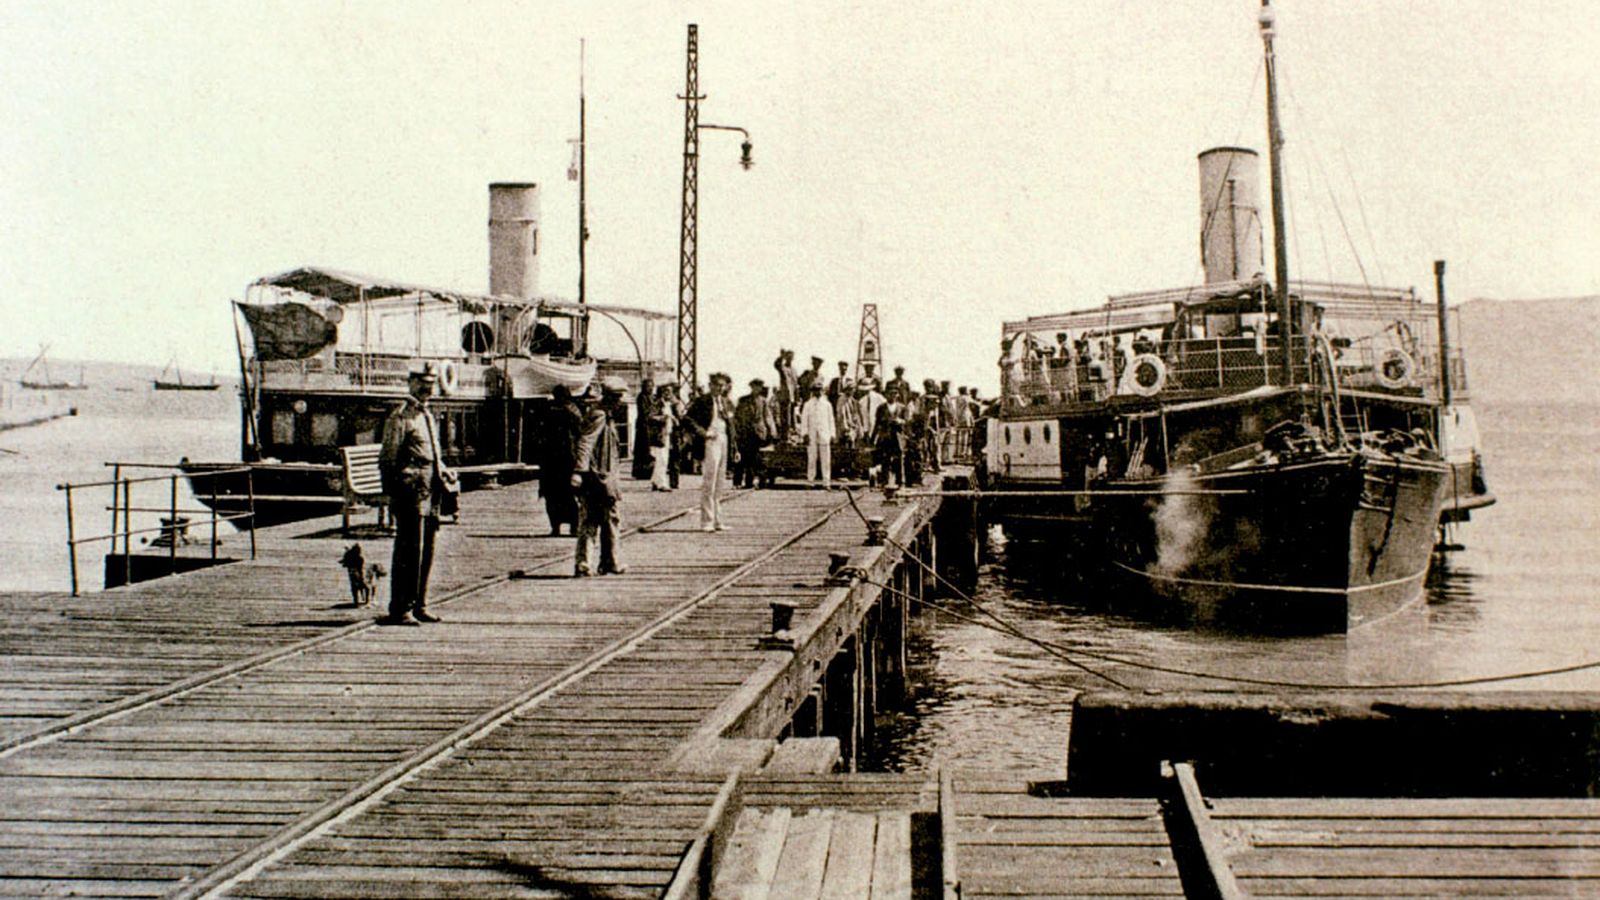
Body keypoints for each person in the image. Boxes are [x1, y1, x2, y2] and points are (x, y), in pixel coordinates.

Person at [379, 364, 451, 625]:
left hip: (430, 490)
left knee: (427, 548)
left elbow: (431, 451)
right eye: (422, 384)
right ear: (410, 384)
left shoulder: (427, 415)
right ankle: (401, 608)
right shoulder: (402, 417)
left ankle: (420, 603)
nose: (427, 389)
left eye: (431, 384)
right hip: (410, 489)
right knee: (410, 549)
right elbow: (388, 459)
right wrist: (391, 495)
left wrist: (442, 469)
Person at [570, 376, 628, 576]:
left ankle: (601, 562)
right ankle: (597, 563)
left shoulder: (604, 415)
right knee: (602, 519)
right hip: (599, 477)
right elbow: (585, 442)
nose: (621, 402)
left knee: (599, 519)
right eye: (619, 397)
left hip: (602, 476)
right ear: (612, 398)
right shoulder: (599, 415)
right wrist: (578, 471)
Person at [685, 372, 738, 531]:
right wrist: (703, 432)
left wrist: (735, 447)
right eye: (716, 385)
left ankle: (718, 520)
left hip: (724, 440)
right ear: (710, 385)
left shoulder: (727, 402)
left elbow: (732, 427)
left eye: (722, 385)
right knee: (710, 481)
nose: (719, 388)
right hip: (710, 440)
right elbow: (687, 419)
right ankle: (706, 521)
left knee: (720, 482)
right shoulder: (702, 401)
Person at [537, 385, 582, 536]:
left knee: (554, 496)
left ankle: (558, 527)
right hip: (564, 458)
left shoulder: (549, 410)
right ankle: (569, 527)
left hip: (553, 459)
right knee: (567, 494)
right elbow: (580, 431)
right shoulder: (572, 409)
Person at [733, 378, 775, 488]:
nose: (757, 389)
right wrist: (737, 430)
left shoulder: (763, 401)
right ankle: (737, 481)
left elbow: (767, 416)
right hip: (745, 432)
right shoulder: (743, 400)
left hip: (758, 433)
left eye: (759, 387)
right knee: (742, 457)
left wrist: (771, 430)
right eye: (755, 386)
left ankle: (749, 482)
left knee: (754, 457)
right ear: (751, 387)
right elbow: (737, 416)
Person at [798, 382, 835, 489]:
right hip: (812, 435)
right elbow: (804, 420)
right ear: (812, 391)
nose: (817, 392)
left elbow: (831, 420)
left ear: (822, 391)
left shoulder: (827, 404)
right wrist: (804, 433)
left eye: (819, 390)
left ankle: (826, 482)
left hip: (824, 434)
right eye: (815, 390)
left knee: (826, 459)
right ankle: (810, 481)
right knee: (812, 458)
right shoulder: (808, 404)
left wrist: (832, 434)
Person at [873, 385, 909, 488]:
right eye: (890, 393)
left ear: (897, 395)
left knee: (899, 460)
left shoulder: (902, 408)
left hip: (898, 437)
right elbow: (877, 424)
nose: (892, 396)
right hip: (885, 437)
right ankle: (884, 482)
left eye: (894, 393)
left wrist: (900, 421)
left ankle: (900, 482)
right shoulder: (881, 408)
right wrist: (873, 438)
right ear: (886, 395)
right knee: (885, 460)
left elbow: (907, 422)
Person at [647, 383, 677, 492]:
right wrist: (662, 418)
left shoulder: (668, 404)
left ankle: (655, 481)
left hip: (666, 434)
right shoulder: (658, 404)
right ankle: (662, 484)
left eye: (670, 391)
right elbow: (650, 417)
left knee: (663, 459)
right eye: (666, 391)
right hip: (659, 435)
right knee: (662, 459)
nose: (669, 394)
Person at [631, 377, 654, 480]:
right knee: (642, 449)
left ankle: (647, 472)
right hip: (643, 426)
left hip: (648, 426)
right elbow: (645, 412)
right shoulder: (642, 397)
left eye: (651, 386)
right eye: (648, 386)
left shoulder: (650, 397)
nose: (650, 388)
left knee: (648, 449)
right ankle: (641, 472)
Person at [773, 350, 798, 443]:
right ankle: (784, 437)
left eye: (791, 357)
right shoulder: (783, 368)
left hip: (792, 397)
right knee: (785, 418)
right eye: (788, 357)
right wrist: (781, 357)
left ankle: (790, 435)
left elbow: (795, 384)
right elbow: (776, 364)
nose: (790, 359)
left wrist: (796, 397)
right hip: (784, 396)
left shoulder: (794, 370)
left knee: (791, 418)